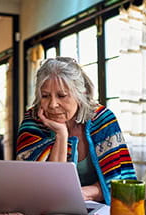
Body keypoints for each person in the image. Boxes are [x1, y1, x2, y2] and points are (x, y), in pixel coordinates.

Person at [16, 57, 137, 205]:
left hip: (100, 208)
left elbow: (119, 182)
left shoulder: (103, 120)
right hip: (46, 210)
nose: (53, 104)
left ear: (82, 94)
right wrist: (61, 135)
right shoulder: (33, 122)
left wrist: (85, 193)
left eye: (62, 95)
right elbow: (44, 188)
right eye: (45, 96)